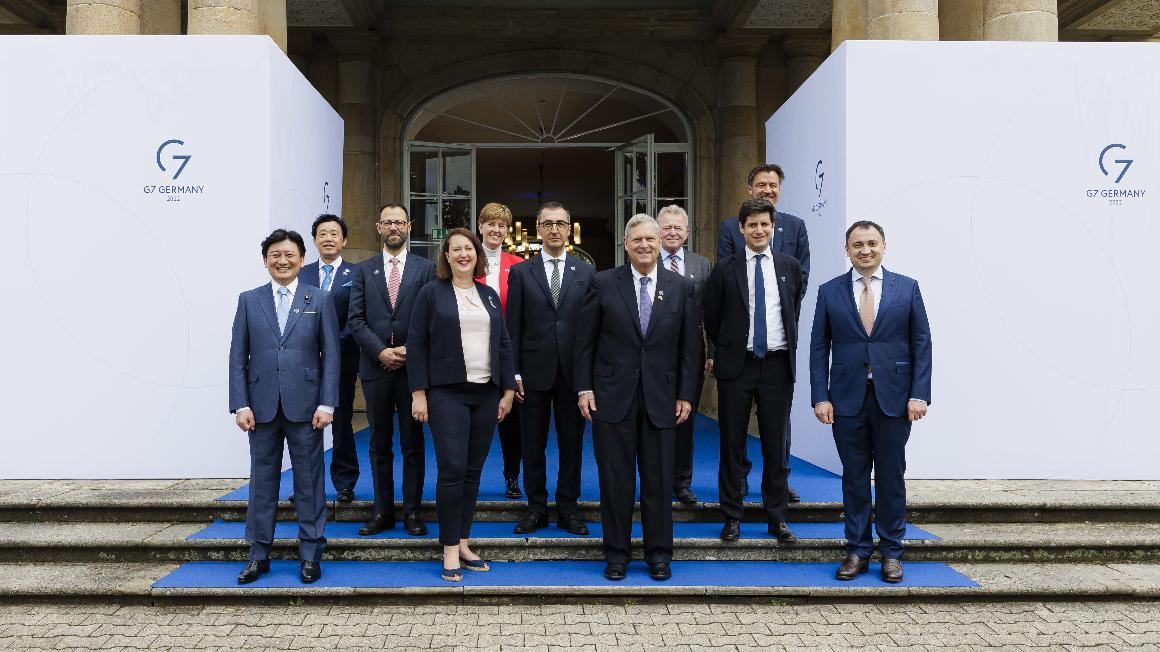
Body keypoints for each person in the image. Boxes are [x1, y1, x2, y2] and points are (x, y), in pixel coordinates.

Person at [575, 214, 699, 582]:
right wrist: (584, 388)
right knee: (616, 482)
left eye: (651, 239)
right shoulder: (602, 283)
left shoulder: (680, 287)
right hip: (611, 398)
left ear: (660, 242)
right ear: (626, 245)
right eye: (637, 240)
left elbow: (691, 348)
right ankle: (616, 553)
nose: (645, 245)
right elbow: (585, 343)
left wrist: (686, 396)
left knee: (659, 481)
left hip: (662, 400)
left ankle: (659, 554)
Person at [809, 220, 931, 583]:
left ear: (884, 246)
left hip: (894, 400)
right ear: (846, 249)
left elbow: (922, 343)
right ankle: (857, 551)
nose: (865, 250)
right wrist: (820, 397)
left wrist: (919, 393)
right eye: (857, 244)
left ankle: (892, 552)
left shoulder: (907, 289)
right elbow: (819, 348)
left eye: (872, 243)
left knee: (892, 477)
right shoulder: (829, 291)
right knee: (855, 478)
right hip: (846, 400)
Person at [228, 229, 339, 585]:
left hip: (307, 408)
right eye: (275, 255)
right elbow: (237, 357)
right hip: (260, 409)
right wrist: (240, 404)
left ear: (302, 259)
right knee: (262, 483)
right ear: (265, 260)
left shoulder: (319, 299)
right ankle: (258, 555)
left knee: (309, 482)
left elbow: (331, 357)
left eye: (289, 255)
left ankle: (309, 555)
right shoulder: (249, 300)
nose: (282, 260)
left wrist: (327, 403)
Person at [408, 228, 517, 581]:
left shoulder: (487, 295)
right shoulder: (431, 293)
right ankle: (449, 549)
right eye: (455, 249)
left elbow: (503, 342)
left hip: (486, 393)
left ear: (476, 254)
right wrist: (418, 393)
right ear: (446, 256)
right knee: (452, 468)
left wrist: (508, 389)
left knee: (472, 471)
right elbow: (418, 344)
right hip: (446, 393)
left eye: (468, 248)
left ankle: (464, 541)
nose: (462, 254)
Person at [704, 198, 802, 544]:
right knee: (731, 444)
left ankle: (777, 518)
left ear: (772, 228)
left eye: (764, 224)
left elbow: (793, 310)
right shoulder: (725, 268)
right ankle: (732, 516)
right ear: (741, 229)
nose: (758, 230)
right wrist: (730, 346)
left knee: (776, 446)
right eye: (752, 225)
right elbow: (711, 316)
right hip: (737, 367)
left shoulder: (789, 266)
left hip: (777, 366)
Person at [716, 162, 810, 504]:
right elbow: (722, 290)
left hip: (775, 349)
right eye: (761, 184)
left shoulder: (796, 227)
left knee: (776, 430)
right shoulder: (730, 228)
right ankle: (737, 485)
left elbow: (800, 281)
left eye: (773, 185)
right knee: (733, 431)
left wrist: (779, 315)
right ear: (750, 188)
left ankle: (778, 490)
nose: (767, 189)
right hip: (739, 351)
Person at [506, 202, 595, 535]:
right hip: (532, 373)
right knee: (533, 443)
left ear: (569, 228)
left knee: (572, 444)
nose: (554, 229)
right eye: (548, 224)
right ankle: (536, 508)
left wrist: (590, 377)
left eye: (561, 223)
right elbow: (511, 327)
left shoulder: (585, 272)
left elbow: (591, 329)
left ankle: (569, 508)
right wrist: (512, 373)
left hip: (573, 373)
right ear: (538, 229)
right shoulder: (521, 272)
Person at [348, 204, 435, 537]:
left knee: (413, 443)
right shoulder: (363, 271)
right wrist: (380, 351)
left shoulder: (425, 269)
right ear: (378, 226)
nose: (394, 227)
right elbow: (355, 320)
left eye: (400, 221)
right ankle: (382, 511)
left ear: (410, 226)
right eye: (388, 222)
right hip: (376, 369)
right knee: (378, 442)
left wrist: (410, 350)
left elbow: (430, 317)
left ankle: (413, 512)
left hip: (414, 372)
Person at [297, 214, 359, 503]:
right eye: (323, 234)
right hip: (306, 364)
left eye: (334, 234)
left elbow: (357, 317)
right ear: (315, 240)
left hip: (342, 361)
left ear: (344, 240)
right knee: (305, 426)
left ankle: (345, 483)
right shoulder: (302, 274)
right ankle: (306, 488)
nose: (329, 238)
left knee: (342, 423)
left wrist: (331, 346)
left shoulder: (355, 274)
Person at [655, 204, 712, 505]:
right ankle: (658, 479)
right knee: (655, 417)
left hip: (691, 352)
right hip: (654, 352)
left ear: (687, 232)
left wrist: (712, 350)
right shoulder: (648, 260)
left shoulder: (702, 265)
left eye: (678, 227)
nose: (673, 232)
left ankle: (682, 482)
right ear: (657, 231)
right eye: (667, 227)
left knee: (685, 415)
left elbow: (713, 311)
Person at [475, 202, 527, 499]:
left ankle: (511, 477)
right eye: (490, 223)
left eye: (502, 225)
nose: (496, 229)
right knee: (477, 419)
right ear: (480, 226)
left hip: (508, 354)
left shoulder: (519, 265)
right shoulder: (467, 258)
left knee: (512, 422)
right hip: (474, 352)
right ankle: (472, 478)